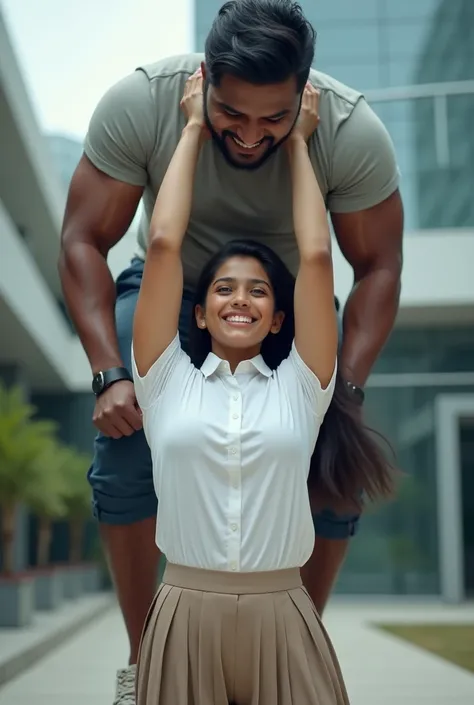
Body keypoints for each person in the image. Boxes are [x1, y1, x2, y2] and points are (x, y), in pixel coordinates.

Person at [58, 1, 403, 702]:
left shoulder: (347, 128)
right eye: (232, 115)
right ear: (206, 79)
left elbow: (377, 268)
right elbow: (80, 238)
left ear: (304, 91)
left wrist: (347, 394)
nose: (250, 137)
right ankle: (142, 661)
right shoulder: (145, 101)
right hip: (173, 285)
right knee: (126, 449)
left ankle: (291, 644)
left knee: (335, 462)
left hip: (290, 299)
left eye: (273, 120)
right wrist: (108, 372)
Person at [132, 71, 393, 705]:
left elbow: (316, 259)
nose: (239, 300)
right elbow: (164, 244)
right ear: (199, 312)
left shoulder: (303, 389)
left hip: (284, 611)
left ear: (279, 317)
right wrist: (193, 126)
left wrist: (300, 141)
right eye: (223, 288)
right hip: (184, 612)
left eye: (257, 290)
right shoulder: (164, 381)